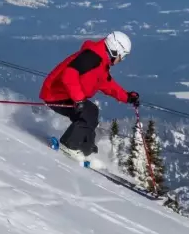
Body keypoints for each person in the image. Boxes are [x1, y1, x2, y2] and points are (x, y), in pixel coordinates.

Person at [40, 31, 140, 159]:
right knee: (89, 112)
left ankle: (85, 147)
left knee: (91, 112)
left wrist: (127, 97)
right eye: (122, 55)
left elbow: (108, 84)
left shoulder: (101, 62)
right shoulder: (91, 57)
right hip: (55, 94)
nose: (121, 59)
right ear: (116, 49)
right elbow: (69, 75)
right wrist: (79, 98)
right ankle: (69, 145)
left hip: (68, 95)